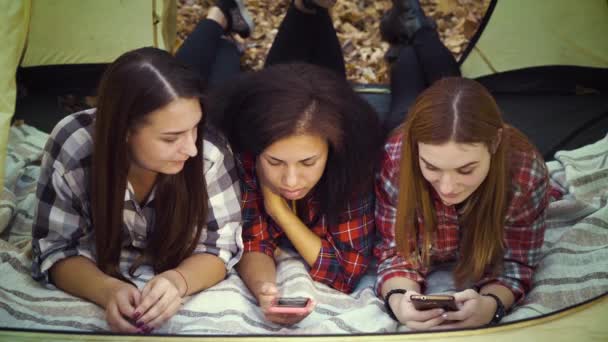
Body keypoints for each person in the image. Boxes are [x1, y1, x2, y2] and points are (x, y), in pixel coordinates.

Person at [176, 0, 384, 326]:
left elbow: (346, 272)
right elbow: (251, 241)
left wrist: (280, 213)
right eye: (274, 162)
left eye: (307, 162)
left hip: (317, 100)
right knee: (188, 82)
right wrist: (265, 291)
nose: (290, 180)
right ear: (256, 151)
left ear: (332, 150)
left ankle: (306, 7)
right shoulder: (238, 151)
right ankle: (219, 16)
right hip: (244, 102)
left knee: (321, 83)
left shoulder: (350, 159)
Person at [31, 47, 243, 334]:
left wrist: (179, 281)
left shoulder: (210, 151)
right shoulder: (73, 143)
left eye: (195, 129)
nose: (191, 148)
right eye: (171, 138)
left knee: (227, 60)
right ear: (125, 130)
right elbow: (55, 247)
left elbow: (220, 247)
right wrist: (106, 290)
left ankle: (227, 43)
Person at [374, 0, 551, 330]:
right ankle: (413, 37)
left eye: (466, 169)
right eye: (431, 167)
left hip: (448, 120)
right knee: (410, 94)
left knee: (453, 91)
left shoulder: (525, 173)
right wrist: (400, 300)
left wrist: (490, 305)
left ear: (495, 144)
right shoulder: (398, 155)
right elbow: (395, 251)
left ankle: (416, 32)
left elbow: (517, 261)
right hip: (405, 123)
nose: (446, 187)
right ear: (415, 152)